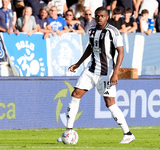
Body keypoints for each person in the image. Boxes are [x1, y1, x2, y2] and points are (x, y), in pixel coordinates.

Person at [57, 6, 135, 144]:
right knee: (75, 94)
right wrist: (78, 63)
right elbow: (90, 48)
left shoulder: (113, 32)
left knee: (110, 103)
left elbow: (121, 52)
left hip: (106, 73)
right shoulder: (92, 30)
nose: (99, 18)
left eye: (102, 16)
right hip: (91, 70)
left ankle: (128, 133)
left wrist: (115, 73)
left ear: (107, 17)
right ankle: (68, 131)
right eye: (97, 16)